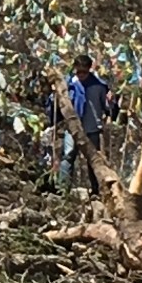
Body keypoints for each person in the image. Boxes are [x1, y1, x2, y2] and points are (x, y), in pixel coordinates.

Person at [46, 55, 110, 190]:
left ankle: (96, 189)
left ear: (89, 69)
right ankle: (63, 189)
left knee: (93, 159)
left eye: (84, 72)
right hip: (73, 127)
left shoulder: (98, 86)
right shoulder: (69, 84)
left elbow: (107, 106)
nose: (81, 74)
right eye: (78, 71)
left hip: (91, 127)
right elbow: (58, 102)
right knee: (68, 156)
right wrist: (54, 96)